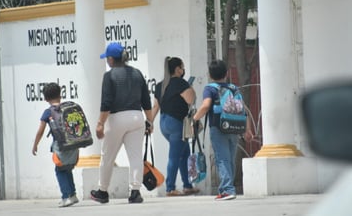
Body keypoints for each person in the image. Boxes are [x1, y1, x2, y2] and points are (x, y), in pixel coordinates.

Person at [90, 42, 153, 204]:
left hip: (117, 118)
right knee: (135, 156)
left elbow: (106, 103)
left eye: (107, 58)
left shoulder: (109, 76)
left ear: (111, 59)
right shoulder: (137, 73)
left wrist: (100, 124)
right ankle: (135, 192)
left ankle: (102, 191)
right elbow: (146, 101)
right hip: (137, 117)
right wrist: (150, 121)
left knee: (107, 156)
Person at [192, 59, 252, 201]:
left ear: (210, 74)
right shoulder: (233, 88)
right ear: (226, 73)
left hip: (218, 127)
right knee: (230, 159)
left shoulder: (210, 88)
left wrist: (195, 118)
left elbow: (206, 106)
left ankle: (227, 190)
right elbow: (243, 109)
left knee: (222, 159)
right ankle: (228, 188)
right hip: (235, 126)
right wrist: (247, 129)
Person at [151, 56, 200, 197]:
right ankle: (170, 188)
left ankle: (187, 185)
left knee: (183, 154)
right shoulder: (180, 83)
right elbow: (191, 100)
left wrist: (150, 123)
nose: (183, 70)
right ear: (178, 69)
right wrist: (190, 87)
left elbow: (156, 106)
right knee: (174, 156)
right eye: (182, 67)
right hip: (176, 123)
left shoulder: (161, 85)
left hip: (164, 122)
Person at [32, 82, 79, 207]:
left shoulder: (48, 112)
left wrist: (35, 144)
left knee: (59, 170)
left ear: (46, 99)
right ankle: (73, 195)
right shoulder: (68, 108)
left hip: (60, 146)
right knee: (68, 169)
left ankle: (66, 197)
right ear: (60, 95)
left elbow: (40, 131)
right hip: (74, 144)